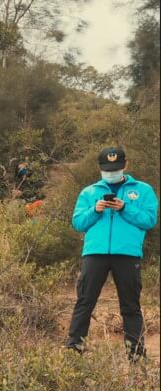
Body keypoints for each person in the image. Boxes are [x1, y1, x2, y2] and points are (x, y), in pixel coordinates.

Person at [64, 146, 157, 360]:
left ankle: (136, 356)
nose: (111, 172)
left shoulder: (143, 190)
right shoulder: (89, 192)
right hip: (95, 253)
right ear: (100, 168)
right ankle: (73, 351)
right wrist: (94, 210)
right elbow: (78, 223)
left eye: (115, 168)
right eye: (107, 169)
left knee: (130, 306)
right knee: (84, 301)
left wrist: (125, 208)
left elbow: (149, 220)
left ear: (125, 165)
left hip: (127, 255)